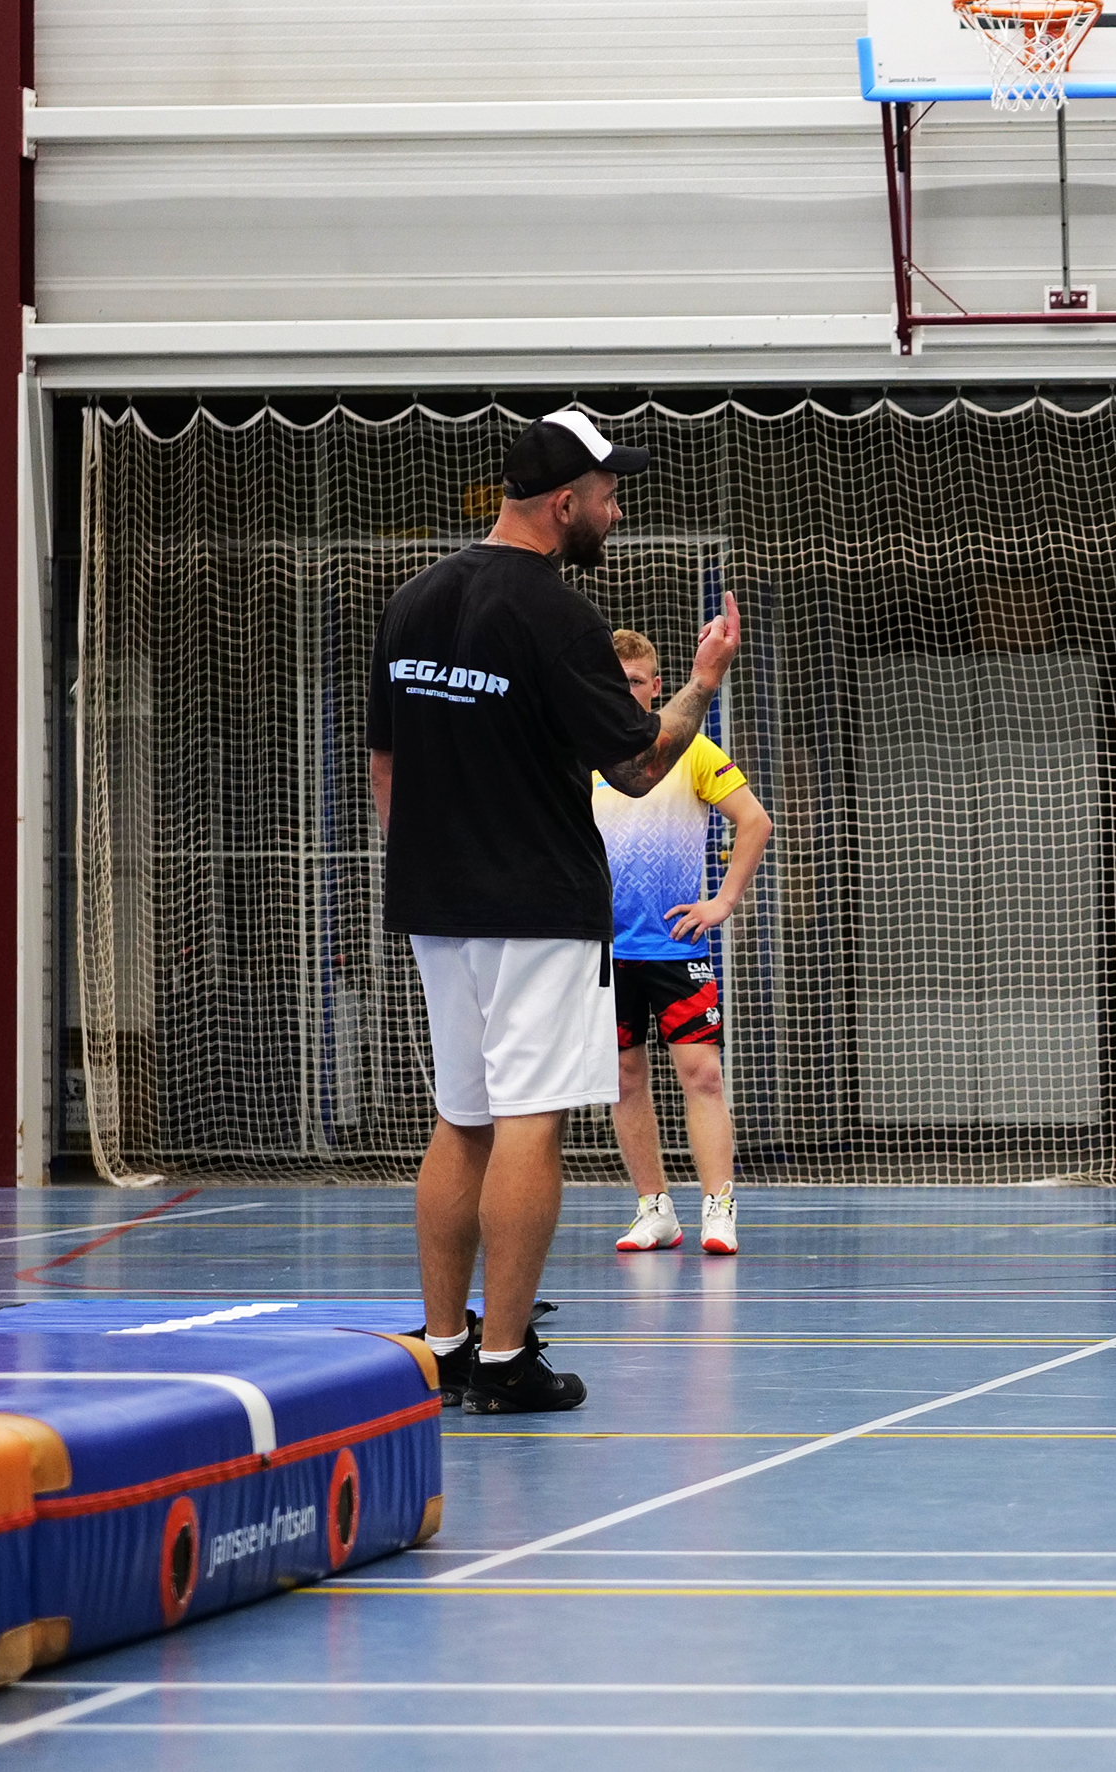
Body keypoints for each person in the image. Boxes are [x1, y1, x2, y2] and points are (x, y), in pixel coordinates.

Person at [370, 410, 738, 1413]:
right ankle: (501, 1360)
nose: (617, 510)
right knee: (531, 1119)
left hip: (437, 908)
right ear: (564, 503)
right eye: (611, 494)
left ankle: (442, 1346)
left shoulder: (410, 602)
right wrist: (700, 683)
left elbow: (385, 763)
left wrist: (433, 861)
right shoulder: (554, 614)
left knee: (461, 1117)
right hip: (535, 908)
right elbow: (636, 763)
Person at [597, 630, 774, 1259]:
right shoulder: (581, 754)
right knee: (623, 1077)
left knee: (701, 1073)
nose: (627, 692)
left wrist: (722, 902)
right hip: (602, 951)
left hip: (676, 945)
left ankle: (718, 1206)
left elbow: (755, 822)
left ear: (656, 688)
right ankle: (654, 1209)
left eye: (637, 682)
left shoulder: (692, 750)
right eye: (615, 683)